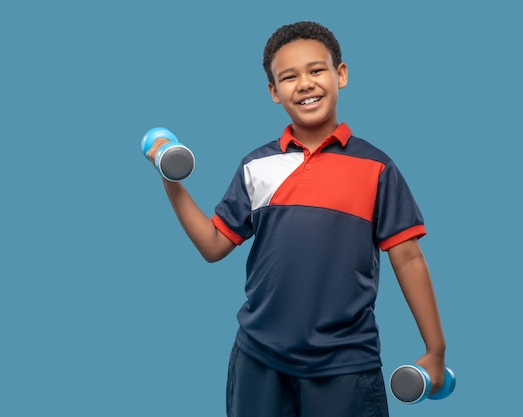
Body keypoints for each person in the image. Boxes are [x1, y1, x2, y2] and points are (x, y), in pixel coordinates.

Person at [144, 21, 447, 417]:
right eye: (289, 77)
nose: (304, 83)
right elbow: (213, 245)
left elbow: (407, 258)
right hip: (259, 360)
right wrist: (171, 178)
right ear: (274, 92)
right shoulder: (257, 167)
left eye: (316, 70)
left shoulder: (376, 168)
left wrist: (435, 350)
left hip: (346, 367)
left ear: (341, 74)